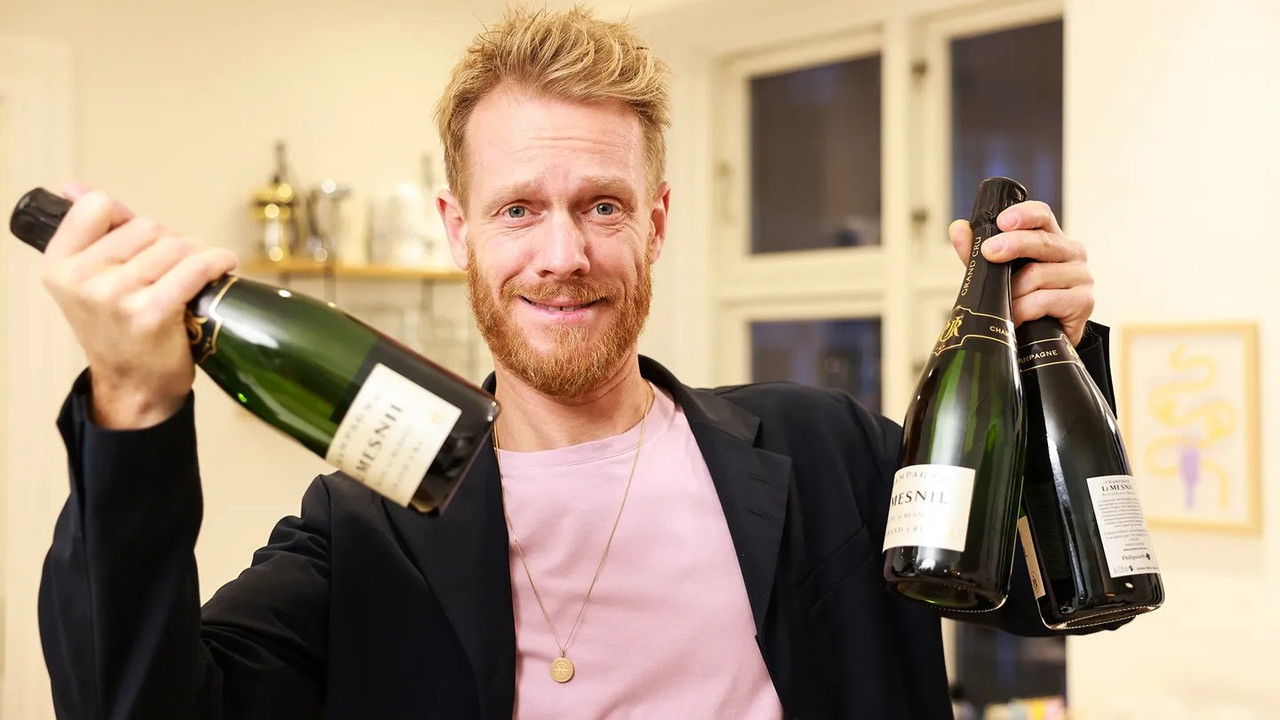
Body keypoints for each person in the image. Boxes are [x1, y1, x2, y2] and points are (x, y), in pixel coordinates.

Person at [36, 7, 1117, 720]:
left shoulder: (825, 449)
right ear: (459, 230)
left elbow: (1050, 592)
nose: (563, 255)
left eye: (602, 205)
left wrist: (1051, 363)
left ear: (656, 221)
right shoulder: (362, 536)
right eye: (519, 209)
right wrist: (131, 406)